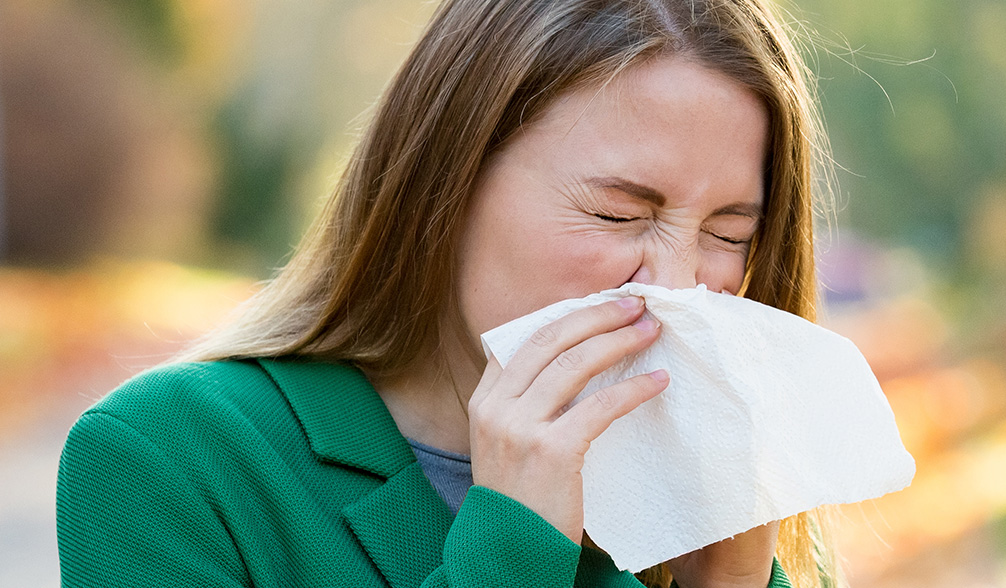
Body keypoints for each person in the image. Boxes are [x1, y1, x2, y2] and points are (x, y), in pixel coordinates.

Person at [54, 0, 840, 586]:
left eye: (729, 235)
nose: (675, 283)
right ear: (448, 181)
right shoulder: (174, 458)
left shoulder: (724, 508)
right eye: (619, 214)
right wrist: (512, 549)